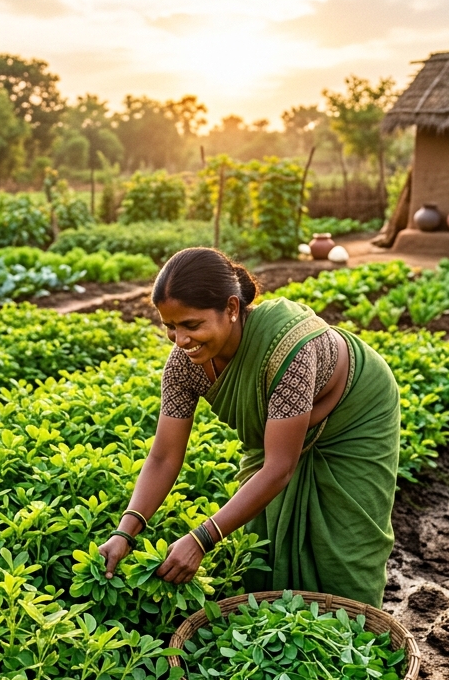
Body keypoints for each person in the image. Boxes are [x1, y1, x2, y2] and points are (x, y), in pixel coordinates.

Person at [97, 247, 401, 608]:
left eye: (192, 325)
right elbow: (164, 457)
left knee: (345, 547)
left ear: (231, 308)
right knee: (263, 547)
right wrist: (125, 531)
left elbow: (278, 468)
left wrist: (202, 538)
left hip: (354, 414)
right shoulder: (184, 366)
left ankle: (356, 635)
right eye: (170, 327)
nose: (181, 341)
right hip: (283, 431)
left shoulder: (289, 348)